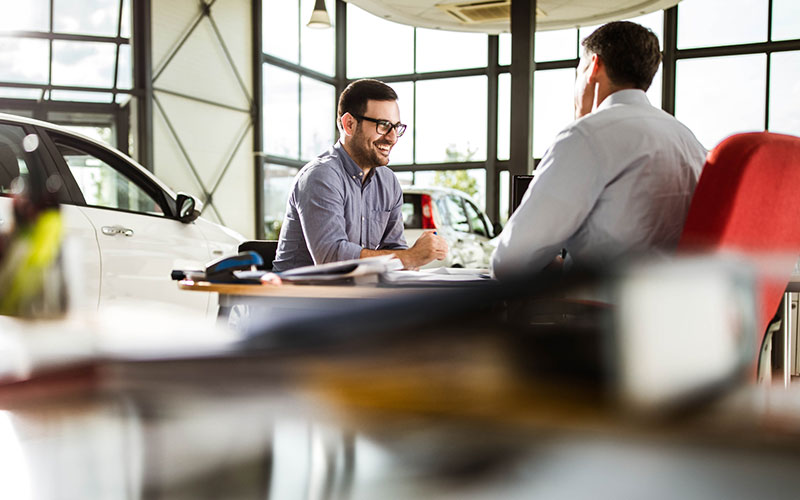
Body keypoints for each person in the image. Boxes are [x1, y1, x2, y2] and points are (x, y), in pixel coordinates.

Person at [491, 21, 707, 280]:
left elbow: (509, 262)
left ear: (594, 66)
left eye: (578, 72)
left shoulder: (587, 135)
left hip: (600, 313)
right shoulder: (687, 139)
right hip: (669, 308)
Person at [272, 79, 448, 272]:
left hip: (355, 295)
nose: (392, 138)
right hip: (299, 297)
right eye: (383, 125)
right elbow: (331, 258)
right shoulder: (320, 176)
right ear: (349, 124)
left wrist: (413, 259)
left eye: (396, 127)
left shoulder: (388, 182)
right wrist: (411, 256)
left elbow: (396, 253)